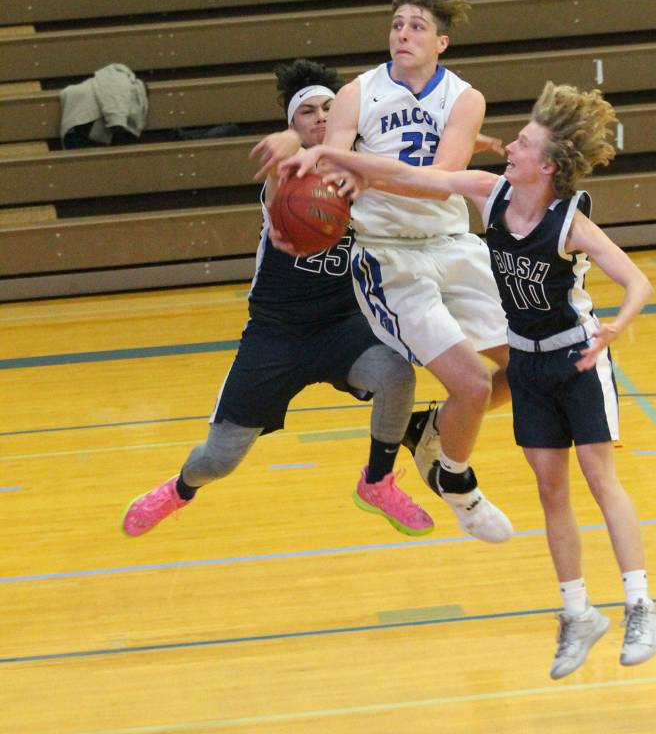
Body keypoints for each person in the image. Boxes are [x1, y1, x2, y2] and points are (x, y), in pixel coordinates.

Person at [287, 80, 656, 678]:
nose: (509, 147)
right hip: (529, 363)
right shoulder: (489, 194)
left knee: (601, 482)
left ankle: (641, 604)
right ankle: (577, 613)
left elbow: (638, 281)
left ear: (546, 164)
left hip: (576, 360)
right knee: (551, 491)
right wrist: (328, 155)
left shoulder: (569, 221)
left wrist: (616, 326)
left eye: (522, 143)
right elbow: (416, 178)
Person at [122, 59, 434, 540]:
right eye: (306, 112)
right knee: (219, 458)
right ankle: (180, 489)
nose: (320, 117)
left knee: (396, 374)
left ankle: (377, 481)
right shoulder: (285, 176)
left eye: (330, 107)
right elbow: (287, 153)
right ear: (292, 124)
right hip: (275, 335)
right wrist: (292, 140)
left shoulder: (366, 172)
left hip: (341, 325)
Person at [296, 0, 514, 544]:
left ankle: (431, 431)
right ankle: (459, 488)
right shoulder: (357, 93)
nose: (403, 33)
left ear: (441, 42)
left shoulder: (464, 99)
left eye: (417, 26)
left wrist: (365, 169)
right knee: (471, 383)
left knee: (526, 370)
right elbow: (335, 163)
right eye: (397, 24)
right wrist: (336, 182)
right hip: (390, 259)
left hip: (455, 246)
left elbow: (443, 185)